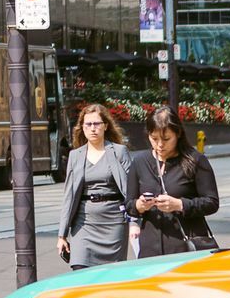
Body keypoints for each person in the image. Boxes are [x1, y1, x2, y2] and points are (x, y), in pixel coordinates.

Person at [128, 107, 219, 258]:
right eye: (154, 138)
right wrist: (140, 205)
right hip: (150, 249)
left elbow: (212, 202)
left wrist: (180, 205)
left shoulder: (195, 160)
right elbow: (129, 205)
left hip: (186, 247)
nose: (159, 145)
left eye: (166, 139)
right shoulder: (139, 162)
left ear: (178, 134)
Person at [56, 103, 133, 266]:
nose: (93, 128)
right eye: (88, 124)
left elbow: (132, 190)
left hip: (114, 222)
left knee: (111, 276)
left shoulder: (119, 152)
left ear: (105, 126)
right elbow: (68, 198)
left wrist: (135, 223)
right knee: (80, 267)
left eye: (97, 124)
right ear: (82, 127)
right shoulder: (75, 156)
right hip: (84, 223)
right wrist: (61, 235)